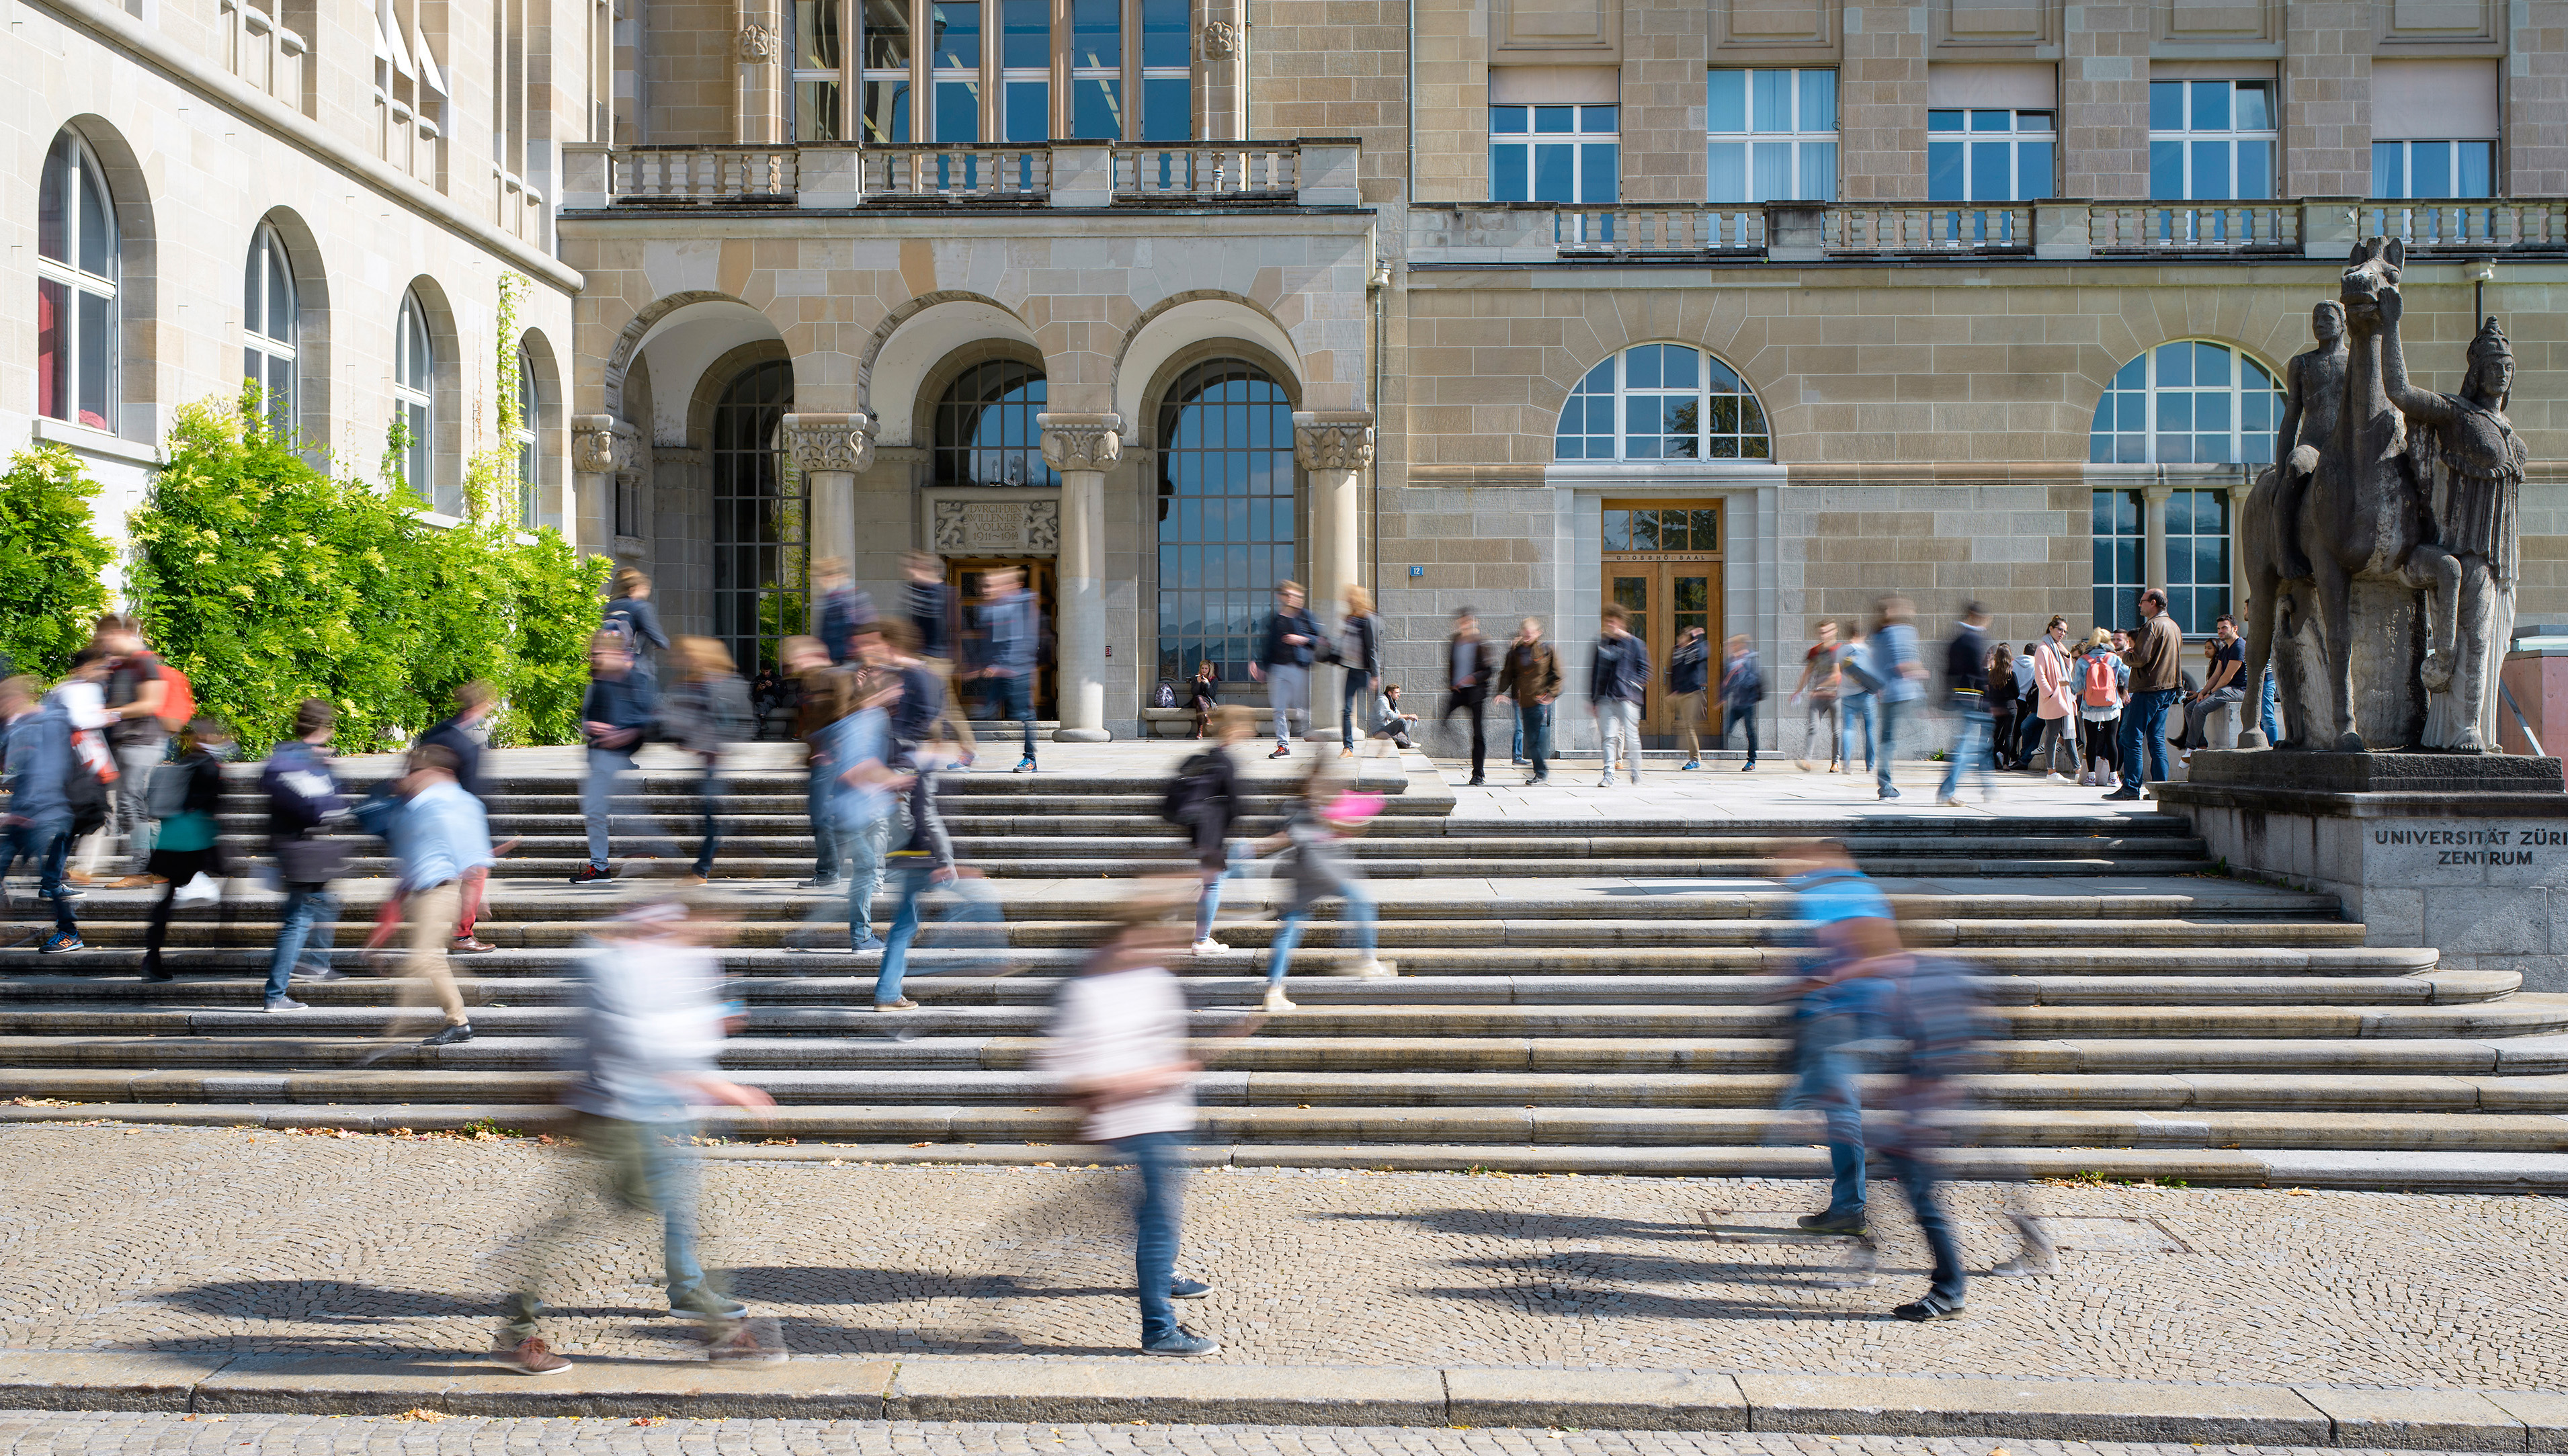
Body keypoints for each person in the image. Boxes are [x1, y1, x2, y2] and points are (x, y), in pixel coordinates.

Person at [493, 899, 783, 1374]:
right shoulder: (617, 962)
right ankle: (517, 1328)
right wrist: (721, 1085)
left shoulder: (671, 954)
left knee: (671, 1213)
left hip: (642, 1107)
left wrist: (711, 1028)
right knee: (582, 1226)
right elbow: (642, 1043)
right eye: (710, 929)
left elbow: (683, 1022)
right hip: (614, 1111)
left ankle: (712, 1320)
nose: (714, 940)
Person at [1035, 895, 1221, 1358]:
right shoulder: (1088, 992)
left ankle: (1163, 1274)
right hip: (1133, 1120)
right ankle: (1159, 1330)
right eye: (1151, 939)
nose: (1161, 947)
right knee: (1158, 1219)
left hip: (1165, 1114)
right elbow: (1066, 1071)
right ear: (1125, 939)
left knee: (1153, 1212)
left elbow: (1161, 1042)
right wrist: (1150, 1077)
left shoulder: (1155, 981)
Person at [1779, 839, 1894, 1238]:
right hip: (1869, 1013)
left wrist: (1789, 986)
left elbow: (1813, 958)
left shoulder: (1820, 895)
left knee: (1839, 1110)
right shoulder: (1870, 892)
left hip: (1830, 1015)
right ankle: (1849, 1204)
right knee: (1841, 1107)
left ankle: (1850, 1206)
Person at [874, 620, 976, 1011]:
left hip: (907, 848)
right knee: (970, 905)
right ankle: (990, 960)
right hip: (921, 852)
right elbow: (927, 812)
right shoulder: (924, 760)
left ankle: (888, 991)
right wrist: (947, 860)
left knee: (906, 921)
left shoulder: (909, 751)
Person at [382, 743, 491, 1047]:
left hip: (440, 890)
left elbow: (473, 853)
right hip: (420, 890)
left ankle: (458, 1019)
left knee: (426, 957)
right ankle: (457, 1012)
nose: (411, 776)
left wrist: (475, 896)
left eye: (416, 770)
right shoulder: (420, 802)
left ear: (437, 772)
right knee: (427, 958)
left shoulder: (457, 802)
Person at [1259, 767, 1395, 1011]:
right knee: (1360, 899)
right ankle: (1368, 961)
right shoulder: (1312, 803)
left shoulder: (1297, 806)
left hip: (1302, 867)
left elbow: (1306, 830)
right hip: (1319, 864)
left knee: (1291, 925)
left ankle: (1274, 990)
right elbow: (1308, 829)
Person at [259, 699, 349, 1012]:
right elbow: (317, 808)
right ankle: (275, 994)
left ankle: (318, 964)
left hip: (295, 848)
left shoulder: (288, 755)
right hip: (300, 850)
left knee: (326, 906)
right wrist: (332, 799)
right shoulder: (299, 760)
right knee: (297, 921)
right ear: (324, 728)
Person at [829, 644, 912, 957]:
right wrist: (894, 780)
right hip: (854, 813)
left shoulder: (871, 716)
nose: (901, 692)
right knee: (865, 871)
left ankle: (862, 934)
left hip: (862, 810)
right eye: (897, 686)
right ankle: (861, 936)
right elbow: (854, 768)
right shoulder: (870, 717)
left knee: (866, 870)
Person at [137, 718, 235, 984]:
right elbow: (213, 802)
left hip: (170, 838)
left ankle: (152, 958)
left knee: (167, 899)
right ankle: (223, 940)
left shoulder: (183, 762)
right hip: (195, 838)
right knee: (230, 878)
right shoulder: (208, 765)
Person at [0, 676, 85, 954]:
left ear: (13, 700)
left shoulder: (47, 724)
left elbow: (49, 770)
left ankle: (69, 932)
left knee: (47, 881)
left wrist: (30, 809)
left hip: (45, 812)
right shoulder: (17, 726)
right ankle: (68, 931)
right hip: (25, 812)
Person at [659, 638, 752, 884]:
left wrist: (707, 741)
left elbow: (740, 722)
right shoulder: (696, 683)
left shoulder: (722, 684)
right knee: (708, 815)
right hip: (705, 760)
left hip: (714, 761)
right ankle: (723, 853)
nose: (678, 661)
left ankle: (701, 870)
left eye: (684, 656)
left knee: (710, 817)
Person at [571, 630, 658, 885]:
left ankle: (603, 867)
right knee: (595, 811)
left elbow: (645, 719)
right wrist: (594, 727)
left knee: (602, 811)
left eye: (599, 652)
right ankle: (600, 867)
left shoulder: (632, 679)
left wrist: (619, 734)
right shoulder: (600, 682)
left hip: (614, 758)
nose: (595, 656)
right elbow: (589, 720)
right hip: (600, 756)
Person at [418, 682, 499, 953]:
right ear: (481, 706)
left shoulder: (434, 733)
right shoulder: (468, 746)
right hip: (456, 819)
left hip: (424, 814)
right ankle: (462, 935)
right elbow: (474, 793)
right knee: (476, 874)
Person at [96, 616, 170, 889]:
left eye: (106, 638)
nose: (104, 644)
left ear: (119, 633)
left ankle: (141, 869)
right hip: (126, 743)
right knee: (133, 803)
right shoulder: (122, 665)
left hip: (142, 742)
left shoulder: (144, 661)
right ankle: (152, 866)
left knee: (131, 803)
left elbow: (151, 703)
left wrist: (111, 713)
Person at [1179, 706, 1253, 954]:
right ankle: (1201, 940)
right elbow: (1235, 804)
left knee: (1213, 882)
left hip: (1202, 832)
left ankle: (1203, 937)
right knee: (1212, 885)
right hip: (1212, 834)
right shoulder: (1225, 762)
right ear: (1232, 731)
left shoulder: (1211, 756)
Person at [790, 635, 856, 889]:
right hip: (820, 758)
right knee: (825, 817)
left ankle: (829, 871)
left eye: (798, 656)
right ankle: (831, 870)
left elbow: (843, 716)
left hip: (833, 758)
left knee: (822, 817)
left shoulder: (837, 677)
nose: (794, 662)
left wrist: (827, 747)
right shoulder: (809, 681)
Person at [2109, 588, 2182, 800]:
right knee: (2156, 739)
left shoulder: (2152, 626)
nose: (2139, 605)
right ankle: (2161, 791)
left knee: (2131, 737)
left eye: (2142, 601)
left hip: (2148, 688)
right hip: (2167, 689)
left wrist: (2125, 656)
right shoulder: (2173, 626)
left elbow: (2141, 659)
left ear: (2153, 603)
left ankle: (2130, 789)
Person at [903, 551, 976, 762]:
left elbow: (957, 626)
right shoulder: (916, 591)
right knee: (934, 706)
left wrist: (963, 659)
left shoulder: (945, 593)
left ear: (927, 569)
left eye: (914, 568)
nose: (910, 572)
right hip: (920, 658)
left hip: (939, 659)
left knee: (942, 707)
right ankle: (943, 746)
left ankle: (963, 748)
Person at [975, 566, 1041, 773]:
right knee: (985, 711)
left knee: (1024, 715)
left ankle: (1030, 760)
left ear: (1013, 585)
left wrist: (1011, 665)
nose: (988, 590)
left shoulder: (1024, 606)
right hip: (1000, 670)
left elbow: (1026, 640)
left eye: (993, 585)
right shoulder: (992, 608)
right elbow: (990, 641)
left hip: (1018, 670)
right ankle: (968, 752)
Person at [1249, 580, 1318, 759]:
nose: (1291, 598)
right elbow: (1269, 645)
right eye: (1287, 595)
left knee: (1301, 706)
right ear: (1281, 597)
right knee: (1279, 709)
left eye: (1294, 595)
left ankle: (1308, 733)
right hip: (1278, 670)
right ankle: (1283, 746)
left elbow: (1318, 638)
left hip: (1297, 668)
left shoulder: (1304, 616)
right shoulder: (1276, 619)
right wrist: (1261, 667)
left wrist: (1301, 639)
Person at [1935, 603, 1995, 807]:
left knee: (1976, 746)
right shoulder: (1974, 640)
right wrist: (1989, 698)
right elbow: (1979, 674)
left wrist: (1946, 696)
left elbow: (1948, 670)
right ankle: (1948, 790)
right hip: (1973, 698)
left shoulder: (1957, 640)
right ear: (1976, 617)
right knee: (1970, 747)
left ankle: (1988, 788)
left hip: (1959, 696)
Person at [1589, 605, 1651, 787]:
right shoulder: (1602, 644)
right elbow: (1594, 673)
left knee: (1631, 737)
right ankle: (1608, 775)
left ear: (1621, 623)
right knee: (1608, 737)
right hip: (1606, 698)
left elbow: (1645, 669)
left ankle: (1636, 772)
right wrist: (1593, 699)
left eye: (1613, 621)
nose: (1609, 624)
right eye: (1607, 621)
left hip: (1627, 699)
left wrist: (1633, 685)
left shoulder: (1635, 644)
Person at [1440, 607, 1497, 786]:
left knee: (1478, 734)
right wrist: (1451, 682)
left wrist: (1473, 677)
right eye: (1462, 622)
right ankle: (1456, 743)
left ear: (1474, 623)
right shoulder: (1455, 642)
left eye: (1468, 622)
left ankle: (1478, 774)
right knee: (1443, 721)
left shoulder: (1481, 644)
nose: (1465, 625)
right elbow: (1451, 664)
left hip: (1475, 693)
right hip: (1458, 692)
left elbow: (1489, 670)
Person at [1501, 617, 1561, 785]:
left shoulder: (1546, 650)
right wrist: (1500, 692)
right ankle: (1541, 771)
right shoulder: (1516, 652)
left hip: (1540, 700)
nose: (1527, 636)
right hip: (1524, 701)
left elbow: (1558, 676)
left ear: (1538, 633)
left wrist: (1551, 694)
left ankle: (1541, 772)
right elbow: (1508, 673)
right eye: (1525, 633)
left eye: (1530, 633)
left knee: (1533, 739)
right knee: (1531, 739)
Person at [2178, 613, 2247, 757]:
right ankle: (2201, 744)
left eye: (2224, 628)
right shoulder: (2225, 649)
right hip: (2225, 689)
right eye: (2218, 629)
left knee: (2200, 708)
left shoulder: (2240, 647)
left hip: (2239, 690)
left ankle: (2190, 748)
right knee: (2190, 708)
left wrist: (2211, 693)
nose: (2220, 631)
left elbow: (2227, 677)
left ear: (2235, 628)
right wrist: (2203, 692)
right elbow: (2216, 675)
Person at [2025, 617, 2077, 781]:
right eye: (2060, 629)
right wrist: (2050, 694)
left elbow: (2068, 670)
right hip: (2055, 697)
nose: (2063, 634)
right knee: (2053, 734)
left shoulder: (2057, 648)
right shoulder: (2044, 648)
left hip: (2063, 695)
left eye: (2065, 631)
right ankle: (2052, 771)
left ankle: (2077, 770)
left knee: (2068, 733)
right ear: (2051, 629)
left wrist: (2066, 654)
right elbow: (2040, 674)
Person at [601, 568, 673, 687]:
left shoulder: (611, 606)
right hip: (634, 670)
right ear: (634, 588)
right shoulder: (641, 607)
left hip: (608, 670)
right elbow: (661, 641)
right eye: (646, 588)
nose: (648, 592)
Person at [2075, 628, 2128, 787]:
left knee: (2090, 741)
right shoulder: (2113, 658)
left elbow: (2077, 686)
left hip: (2090, 706)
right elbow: (2127, 676)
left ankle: (2091, 777)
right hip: (2111, 704)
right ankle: (2113, 777)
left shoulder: (2083, 660)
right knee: (2111, 739)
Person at [1336, 585, 1382, 759]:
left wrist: (1375, 675)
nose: (1348, 600)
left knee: (1370, 711)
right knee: (1347, 710)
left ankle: (1384, 738)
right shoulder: (1350, 618)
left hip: (1364, 671)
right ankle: (1348, 748)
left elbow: (1373, 648)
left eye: (1351, 597)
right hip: (1351, 670)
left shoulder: (1368, 619)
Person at [1788, 621, 1840, 773]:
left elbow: (1837, 675)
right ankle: (1807, 760)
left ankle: (1835, 763)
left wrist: (1819, 687)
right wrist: (1797, 691)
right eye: (1822, 632)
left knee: (1836, 730)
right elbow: (1807, 673)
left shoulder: (1838, 650)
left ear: (1834, 631)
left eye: (1827, 631)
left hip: (1835, 695)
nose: (1824, 635)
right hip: (1818, 696)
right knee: (1813, 727)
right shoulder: (1815, 651)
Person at [812, 558, 874, 669]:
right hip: (834, 660)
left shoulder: (855, 597)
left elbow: (867, 630)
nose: (820, 582)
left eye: (823, 576)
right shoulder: (826, 600)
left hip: (851, 660)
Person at [1833, 621, 1875, 779]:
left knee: (1848, 729)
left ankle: (1847, 765)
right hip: (1866, 695)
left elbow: (1839, 671)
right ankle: (1870, 766)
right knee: (1869, 730)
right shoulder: (1867, 651)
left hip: (1847, 694)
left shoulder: (1842, 650)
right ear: (1863, 634)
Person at [1666, 626, 1710, 770]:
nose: (1680, 641)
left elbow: (1704, 655)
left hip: (1693, 693)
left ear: (1689, 639)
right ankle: (1692, 755)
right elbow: (1674, 672)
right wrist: (1673, 691)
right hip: (1681, 694)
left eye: (1683, 638)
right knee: (1686, 726)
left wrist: (1698, 639)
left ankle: (1695, 759)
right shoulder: (1677, 651)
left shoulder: (1696, 650)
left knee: (1688, 725)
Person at [1718, 634, 1764, 772]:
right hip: (1736, 703)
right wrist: (1723, 697)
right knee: (1727, 727)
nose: (1731, 647)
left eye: (1733, 645)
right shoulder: (1730, 661)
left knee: (1750, 731)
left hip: (1748, 702)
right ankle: (1719, 759)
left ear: (1740, 645)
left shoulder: (1750, 659)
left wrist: (1741, 678)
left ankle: (1751, 761)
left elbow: (1755, 678)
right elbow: (1726, 681)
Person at [1985, 643, 2017, 771]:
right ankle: (2006, 763)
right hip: (2010, 706)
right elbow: (2017, 692)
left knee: (1995, 735)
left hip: (1997, 707)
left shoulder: (1991, 674)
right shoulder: (2011, 674)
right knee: (2009, 735)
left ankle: (1993, 761)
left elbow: (1991, 693)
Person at [1365, 683, 1419, 755]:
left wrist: (1409, 717)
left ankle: (1401, 741)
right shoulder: (1382, 701)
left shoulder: (1392, 702)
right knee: (1402, 721)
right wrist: (1409, 716)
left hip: (1387, 729)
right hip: (1380, 732)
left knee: (1407, 720)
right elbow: (1391, 716)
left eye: (1399, 693)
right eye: (1396, 693)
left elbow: (1397, 714)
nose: (1399, 695)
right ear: (1390, 693)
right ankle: (1408, 742)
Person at [1186, 660, 1220, 739]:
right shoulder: (1196, 678)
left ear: (1210, 669)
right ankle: (1207, 718)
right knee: (1198, 697)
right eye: (1202, 668)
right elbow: (1194, 693)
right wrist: (1198, 683)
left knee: (1200, 708)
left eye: (1206, 668)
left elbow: (1212, 694)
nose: (1204, 670)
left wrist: (1208, 684)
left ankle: (1200, 732)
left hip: (1207, 701)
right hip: (1196, 700)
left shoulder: (1214, 680)